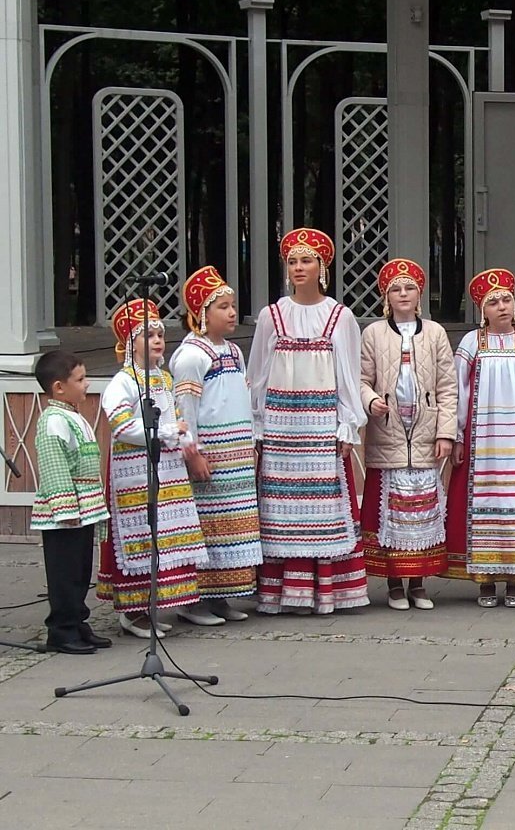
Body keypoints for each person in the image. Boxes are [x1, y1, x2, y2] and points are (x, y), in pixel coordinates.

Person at [248, 228, 370, 615]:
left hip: (320, 425)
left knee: (323, 508)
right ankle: (281, 592)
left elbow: (349, 374)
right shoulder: (272, 316)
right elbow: (259, 373)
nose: (299, 268)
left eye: (307, 260)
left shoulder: (340, 317)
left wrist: (347, 424)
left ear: (323, 267)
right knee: (282, 509)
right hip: (281, 425)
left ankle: (324, 591)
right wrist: (258, 426)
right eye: (293, 261)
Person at [97, 298, 207, 637]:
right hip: (135, 471)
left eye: (160, 334)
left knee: (162, 536)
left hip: (166, 469)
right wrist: (168, 434)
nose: (158, 340)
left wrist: (190, 447)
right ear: (130, 342)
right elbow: (122, 426)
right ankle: (133, 612)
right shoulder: (123, 383)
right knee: (142, 535)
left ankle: (151, 605)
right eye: (149, 335)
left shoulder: (163, 378)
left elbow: (178, 417)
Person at [450, 268, 515, 607]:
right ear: (483, 310)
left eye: (506, 299)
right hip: (484, 442)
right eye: (493, 302)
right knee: (485, 501)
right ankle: (485, 579)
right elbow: (459, 389)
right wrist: (458, 433)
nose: (501, 306)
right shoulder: (471, 343)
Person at [359, 259, 458, 609]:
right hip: (388, 433)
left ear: (419, 295)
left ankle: (418, 583)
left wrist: (446, 433)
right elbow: (361, 380)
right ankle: (393, 584)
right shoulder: (373, 333)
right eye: (396, 289)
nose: (403, 294)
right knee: (392, 512)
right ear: (386, 296)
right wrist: (371, 402)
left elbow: (448, 386)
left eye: (409, 288)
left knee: (421, 511)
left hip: (425, 434)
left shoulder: (434, 333)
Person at [170, 265, 262, 621]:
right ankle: (195, 600)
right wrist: (191, 451)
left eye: (232, 305)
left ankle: (222, 596)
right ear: (201, 314)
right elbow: (186, 409)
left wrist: (252, 439)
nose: (232, 312)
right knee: (208, 526)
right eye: (222, 306)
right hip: (211, 452)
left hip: (236, 452)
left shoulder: (234, 352)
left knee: (233, 527)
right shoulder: (191, 356)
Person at [31, 349, 111, 653]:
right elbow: (54, 468)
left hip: (84, 509)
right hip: (66, 512)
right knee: (64, 573)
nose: (87, 384)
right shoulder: (52, 421)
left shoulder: (72, 416)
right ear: (59, 387)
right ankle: (62, 629)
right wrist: (65, 508)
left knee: (79, 570)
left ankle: (78, 621)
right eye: (80, 379)